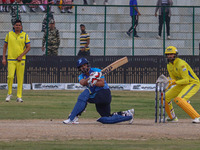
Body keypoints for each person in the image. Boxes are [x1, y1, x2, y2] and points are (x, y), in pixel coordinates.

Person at [63, 58, 134, 124]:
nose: (83, 67)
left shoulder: (97, 71)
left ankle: (73, 117)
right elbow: (82, 83)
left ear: (87, 65)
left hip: (104, 93)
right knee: (106, 118)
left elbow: (102, 84)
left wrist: (94, 81)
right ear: (79, 69)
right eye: (81, 66)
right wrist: (91, 78)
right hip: (97, 96)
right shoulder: (81, 76)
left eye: (84, 65)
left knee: (84, 97)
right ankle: (127, 114)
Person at [164, 46, 200, 123]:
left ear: (175, 54)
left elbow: (186, 80)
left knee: (179, 99)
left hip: (192, 83)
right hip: (181, 84)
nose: (170, 56)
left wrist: (174, 82)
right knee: (165, 97)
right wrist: (168, 83)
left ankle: (197, 117)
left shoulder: (181, 64)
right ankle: (172, 117)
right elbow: (174, 79)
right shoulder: (169, 65)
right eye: (168, 54)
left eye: (171, 54)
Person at [2, 20, 31, 102]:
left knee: (20, 78)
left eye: (19, 25)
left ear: (21, 26)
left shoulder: (25, 35)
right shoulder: (9, 34)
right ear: (14, 26)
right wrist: (4, 58)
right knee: (10, 76)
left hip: (21, 60)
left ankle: (19, 96)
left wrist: (21, 56)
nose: (18, 26)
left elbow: (28, 47)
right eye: (16, 25)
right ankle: (9, 94)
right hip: (11, 59)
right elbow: (5, 47)